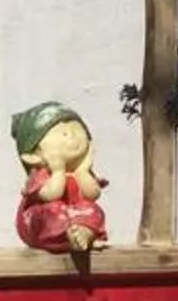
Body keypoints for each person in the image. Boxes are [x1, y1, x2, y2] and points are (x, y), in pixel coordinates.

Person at [10, 101, 108, 254]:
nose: (72, 137)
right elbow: (52, 195)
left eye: (76, 129)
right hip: (41, 220)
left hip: (75, 215)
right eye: (63, 134)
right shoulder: (42, 175)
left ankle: (84, 234)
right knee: (54, 212)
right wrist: (58, 171)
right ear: (33, 156)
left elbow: (92, 194)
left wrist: (82, 171)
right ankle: (68, 236)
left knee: (94, 210)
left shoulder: (80, 172)